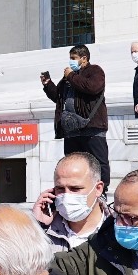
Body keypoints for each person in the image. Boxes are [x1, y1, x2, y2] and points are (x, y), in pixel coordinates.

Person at [42, 44, 110, 190]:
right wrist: (48, 84)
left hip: (91, 127)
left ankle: (102, 189)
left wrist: (71, 76)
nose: (71, 61)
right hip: (72, 129)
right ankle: (74, 188)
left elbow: (92, 87)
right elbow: (59, 98)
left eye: (74, 58)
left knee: (99, 161)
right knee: (73, 161)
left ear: (84, 58)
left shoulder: (94, 71)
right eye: (70, 58)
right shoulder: (70, 76)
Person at [31, 152, 110, 252]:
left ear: (98, 189)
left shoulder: (118, 228)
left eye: (75, 188)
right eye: (60, 188)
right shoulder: (46, 229)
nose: (66, 195)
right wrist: (37, 226)